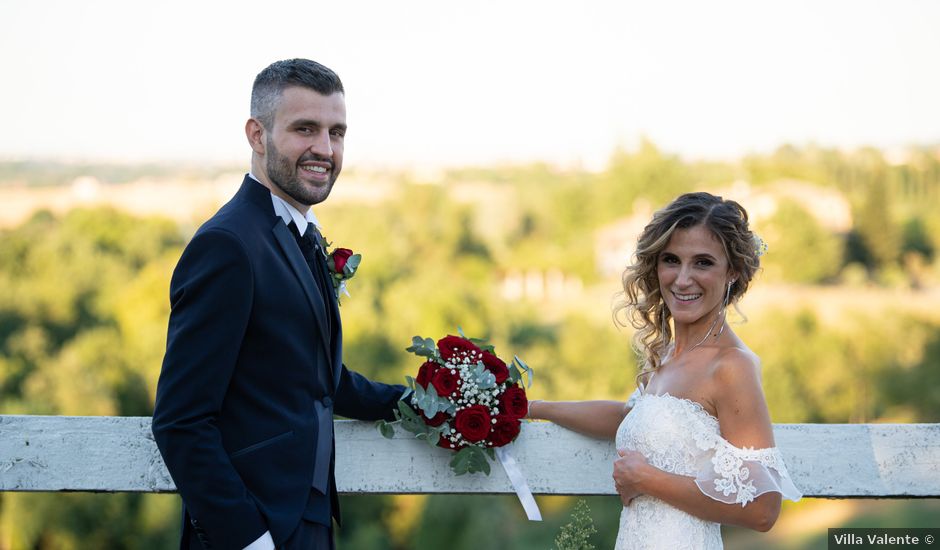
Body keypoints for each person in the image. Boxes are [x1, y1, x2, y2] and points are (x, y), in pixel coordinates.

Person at [151, 59, 405, 550]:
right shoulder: (228, 246)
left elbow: (318, 381)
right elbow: (180, 420)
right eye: (304, 129)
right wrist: (252, 540)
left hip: (307, 526)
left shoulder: (297, 234)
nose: (325, 149)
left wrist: (426, 403)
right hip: (254, 530)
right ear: (257, 134)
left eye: (337, 132)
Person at [528, 192, 801, 549]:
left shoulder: (732, 366)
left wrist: (647, 479)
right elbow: (630, 416)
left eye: (702, 263)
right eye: (671, 260)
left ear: (732, 270)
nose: (683, 279)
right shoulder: (671, 354)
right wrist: (533, 408)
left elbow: (763, 509)